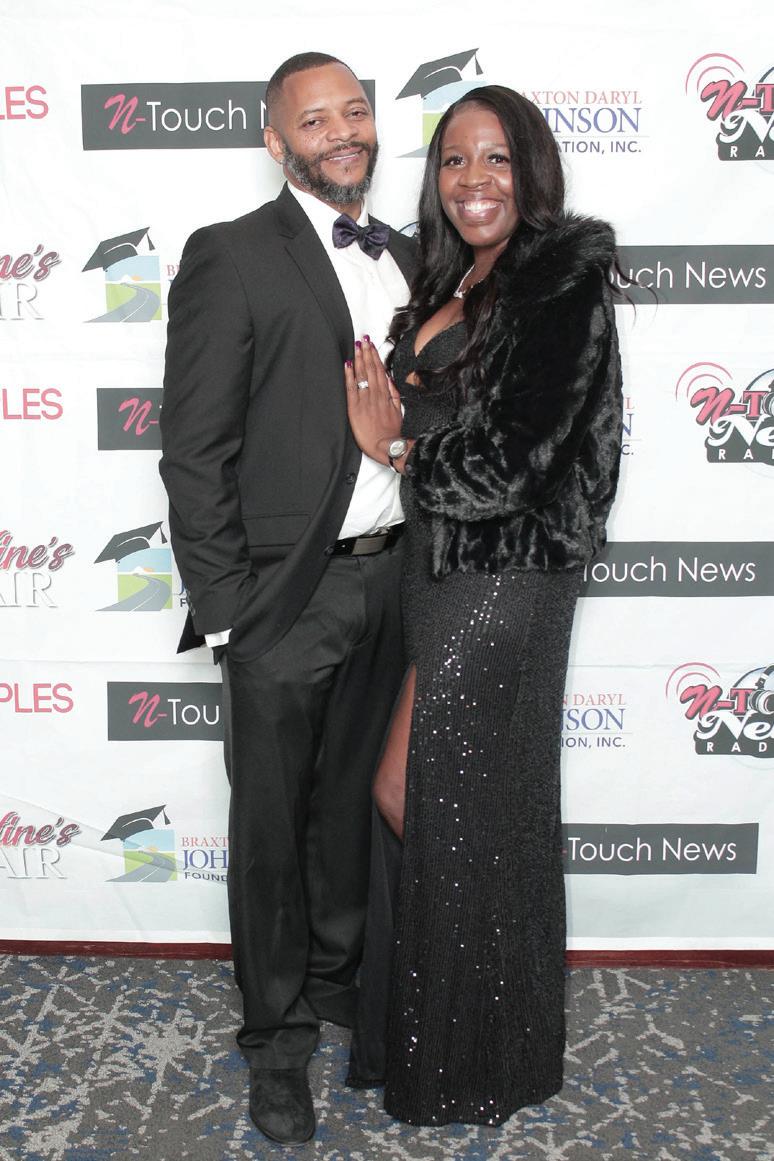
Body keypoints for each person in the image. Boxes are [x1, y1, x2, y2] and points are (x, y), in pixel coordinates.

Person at [342, 85, 623, 1127]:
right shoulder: (452, 277)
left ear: (531, 170)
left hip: (509, 577)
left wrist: (397, 448)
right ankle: (469, 1040)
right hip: (442, 571)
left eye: (496, 158)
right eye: (455, 160)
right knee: (468, 807)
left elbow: (517, 460)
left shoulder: (560, 285)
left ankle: (470, 1052)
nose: (473, 179)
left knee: (424, 793)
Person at [159, 52, 415, 1145]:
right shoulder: (231, 255)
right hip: (280, 600)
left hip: (392, 577)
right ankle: (275, 1041)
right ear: (276, 141)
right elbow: (194, 448)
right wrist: (231, 612)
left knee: (351, 807)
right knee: (271, 833)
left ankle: (335, 983)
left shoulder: (408, 254)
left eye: (355, 111)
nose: (343, 130)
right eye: (315, 120)